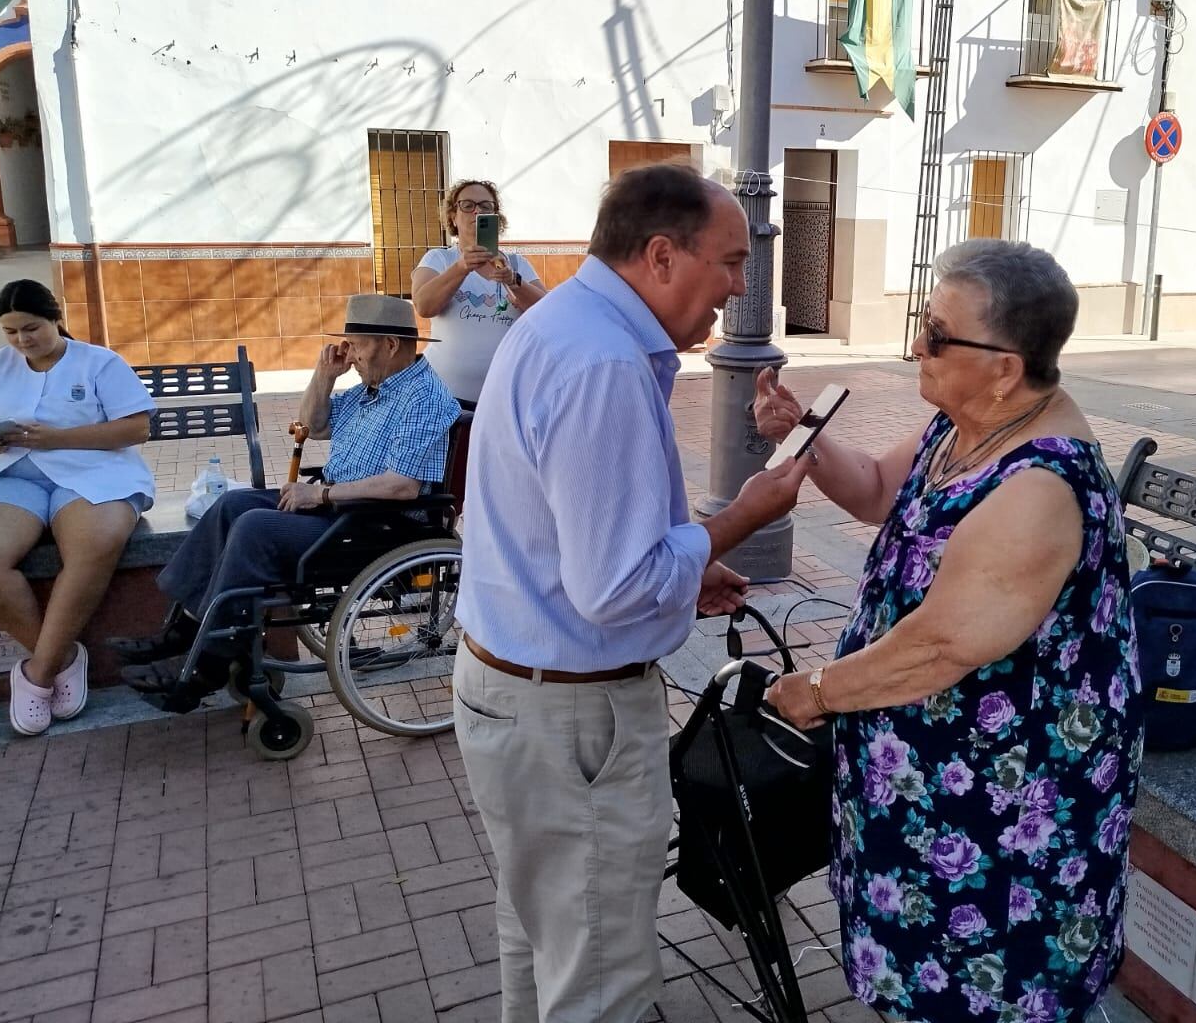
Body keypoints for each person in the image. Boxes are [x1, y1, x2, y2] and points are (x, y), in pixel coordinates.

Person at [453, 162, 811, 1022]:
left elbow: (574, 535)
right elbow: (614, 586)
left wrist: (683, 569)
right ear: (659, 255)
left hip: (518, 693)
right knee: (601, 977)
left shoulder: (566, 328)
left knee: (543, 936)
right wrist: (740, 516)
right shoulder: (602, 362)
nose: (738, 287)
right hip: (571, 719)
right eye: (728, 261)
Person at [762, 239, 1143, 1022]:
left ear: (1005, 366)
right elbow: (872, 489)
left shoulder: (1039, 483)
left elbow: (942, 646)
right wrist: (803, 429)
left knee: (987, 992)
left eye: (936, 333)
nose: (916, 345)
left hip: (1003, 814)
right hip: (931, 784)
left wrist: (821, 691)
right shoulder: (965, 426)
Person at [112, 295, 459, 702]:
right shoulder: (372, 387)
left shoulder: (424, 398)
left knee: (256, 528)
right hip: (341, 508)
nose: (350, 354)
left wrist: (322, 493)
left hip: (377, 523)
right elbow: (313, 425)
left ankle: (208, 664)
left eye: (357, 344)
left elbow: (403, 486)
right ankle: (184, 629)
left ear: (389, 345)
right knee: (230, 506)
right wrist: (324, 376)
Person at [0, 279, 156, 736]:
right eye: (11, 332)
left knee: (95, 542)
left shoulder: (99, 362)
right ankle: (62, 658)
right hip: (13, 473)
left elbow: (137, 429)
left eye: (32, 328)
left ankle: (37, 675)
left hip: (96, 471)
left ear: (55, 317)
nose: (23, 340)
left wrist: (58, 438)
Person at [413, 178, 547, 406]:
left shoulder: (517, 264)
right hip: (445, 399)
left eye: (486, 206)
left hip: (505, 399)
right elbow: (424, 306)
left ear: (496, 217)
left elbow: (547, 313)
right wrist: (461, 267)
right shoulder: (439, 259)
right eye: (467, 205)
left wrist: (514, 281)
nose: (477, 212)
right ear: (453, 216)